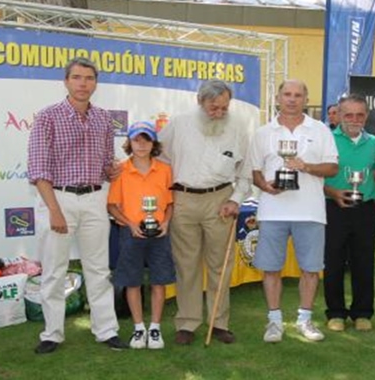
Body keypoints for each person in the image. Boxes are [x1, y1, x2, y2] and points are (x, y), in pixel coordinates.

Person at [27, 57, 127, 354]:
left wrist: (112, 171)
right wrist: (55, 210)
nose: (83, 83)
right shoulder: (47, 117)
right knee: (55, 270)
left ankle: (106, 330)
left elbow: (106, 163)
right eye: (77, 77)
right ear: (66, 81)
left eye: (89, 78)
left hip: (96, 198)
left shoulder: (104, 119)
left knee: (98, 268)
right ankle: (52, 334)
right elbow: (38, 170)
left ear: (95, 83)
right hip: (58, 199)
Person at [159, 79, 253, 345]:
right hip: (183, 199)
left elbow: (245, 171)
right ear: (200, 101)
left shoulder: (237, 126)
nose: (219, 113)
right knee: (186, 265)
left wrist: (235, 200)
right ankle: (187, 323)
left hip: (220, 198)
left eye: (224, 108)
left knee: (219, 264)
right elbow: (159, 159)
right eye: (214, 108)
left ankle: (218, 322)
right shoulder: (178, 124)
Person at [249, 79, 338, 343]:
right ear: (278, 98)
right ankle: (274, 322)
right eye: (287, 94)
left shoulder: (320, 129)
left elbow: (332, 168)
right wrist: (265, 185)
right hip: (272, 210)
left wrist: (306, 166)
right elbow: (254, 171)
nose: (292, 99)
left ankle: (304, 319)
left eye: (298, 95)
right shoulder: (263, 132)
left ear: (305, 98)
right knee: (271, 268)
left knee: (310, 269)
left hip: (310, 211)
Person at [107, 121, 176, 350]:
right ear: (129, 143)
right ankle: (139, 328)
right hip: (131, 233)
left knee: (158, 280)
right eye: (137, 139)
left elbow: (169, 204)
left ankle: (155, 327)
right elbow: (113, 206)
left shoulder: (164, 170)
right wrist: (130, 224)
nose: (142, 144)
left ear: (153, 143)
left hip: (159, 233)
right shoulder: (121, 170)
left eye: (146, 139)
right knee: (132, 281)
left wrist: (165, 223)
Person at [323, 94, 375, 332]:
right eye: (349, 114)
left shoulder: (373, 142)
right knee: (334, 262)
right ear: (338, 115)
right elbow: (316, 175)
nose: (354, 119)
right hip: (333, 207)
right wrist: (333, 192)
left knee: (364, 262)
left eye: (360, 114)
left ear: (366, 116)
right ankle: (336, 312)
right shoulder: (327, 139)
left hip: (365, 208)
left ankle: (362, 313)